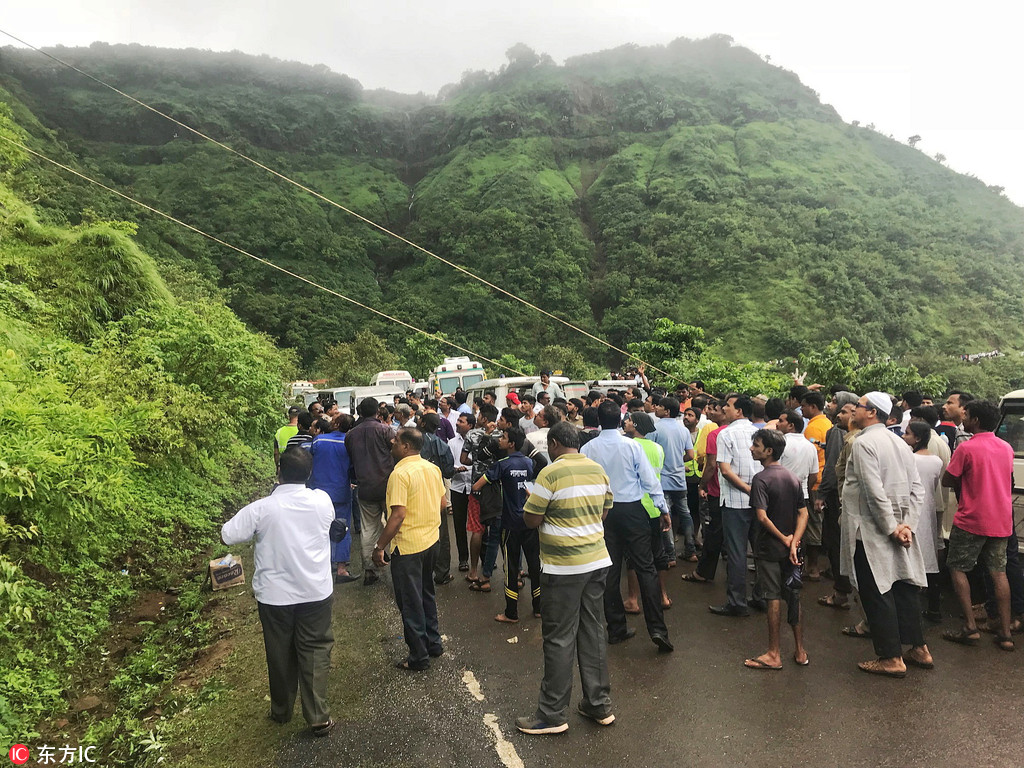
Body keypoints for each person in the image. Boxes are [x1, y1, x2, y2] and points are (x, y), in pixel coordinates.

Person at [221, 448, 338, 736]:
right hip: (315, 591)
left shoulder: (261, 509)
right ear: (309, 474)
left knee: (279, 652)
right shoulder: (322, 501)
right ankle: (318, 716)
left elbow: (228, 534)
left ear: (278, 471)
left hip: (274, 597)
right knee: (315, 650)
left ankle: (282, 711)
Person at [516, 422, 614, 735]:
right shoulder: (597, 470)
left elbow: (531, 519)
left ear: (555, 444)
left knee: (559, 637)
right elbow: (604, 510)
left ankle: (551, 714)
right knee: (593, 631)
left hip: (563, 567)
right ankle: (598, 704)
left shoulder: (551, 473)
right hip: (597, 561)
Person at [841, 392, 932, 677]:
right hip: (899, 527)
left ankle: (891, 657)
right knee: (904, 588)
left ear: (872, 413)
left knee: (876, 592)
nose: (854, 409)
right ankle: (919, 647)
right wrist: (908, 526)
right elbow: (918, 490)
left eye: (859, 406)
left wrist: (893, 528)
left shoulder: (864, 443)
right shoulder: (899, 442)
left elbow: (873, 490)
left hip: (870, 529)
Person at [582, 401, 674, 652]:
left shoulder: (589, 448)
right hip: (633, 510)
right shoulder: (631, 445)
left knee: (609, 571)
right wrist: (662, 509)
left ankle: (616, 628)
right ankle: (657, 629)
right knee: (646, 568)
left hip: (605, 513)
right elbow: (649, 480)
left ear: (599, 420)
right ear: (621, 421)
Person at [941, 400, 1017, 651]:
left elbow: (948, 479)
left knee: (957, 568)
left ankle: (970, 627)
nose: (964, 416)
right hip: (1001, 520)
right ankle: (1005, 633)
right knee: (999, 573)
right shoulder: (1006, 447)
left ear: (974, 420)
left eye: (967, 414)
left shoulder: (967, 448)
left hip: (972, 519)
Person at [372, 427, 447, 670]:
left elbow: (398, 515)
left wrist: (379, 546)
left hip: (408, 547)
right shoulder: (432, 468)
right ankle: (433, 644)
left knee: (410, 601)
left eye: (395, 441)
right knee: (426, 594)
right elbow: (443, 504)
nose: (392, 443)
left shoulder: (400, 474)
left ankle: (418, 656)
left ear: (405, 447)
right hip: (431, 541)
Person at [744, 429, 809, 670]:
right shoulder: (792, 477)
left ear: (769, 451)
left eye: (756, 445)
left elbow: (761, 517)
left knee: (773, 597)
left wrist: (783, 539)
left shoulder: (761, 479)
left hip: (769, 548)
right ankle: (800, 650)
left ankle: (774, 653)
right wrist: (794, 541)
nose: (752, 449)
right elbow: (803, 512)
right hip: (792, 550)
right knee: (793, 595)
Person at [473, 427, 538, 623]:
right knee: (534, 565)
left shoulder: (501, 465)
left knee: (510, 567)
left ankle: (511, 613)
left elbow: (477, 485)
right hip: (529, 520)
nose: (500, 439)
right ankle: (539, 608)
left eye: (503, 437)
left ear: (511, 444)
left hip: (509, 523)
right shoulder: (529, 462)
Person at [710, 394, 762, 617]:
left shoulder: (726, 434)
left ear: (739, 411)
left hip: (735, 500)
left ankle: (737, 602)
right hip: (760, 501)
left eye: (728, 407)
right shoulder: (760, 433)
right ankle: (761, 596)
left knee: (737, 552)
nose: (725, 409)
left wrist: (748, 490)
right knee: (760, 551)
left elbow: (725, 469)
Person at [622, 412, 671, 612]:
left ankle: (633, 599)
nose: (625, 422)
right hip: (654, 507)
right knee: (657, 553)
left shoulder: (629, 447)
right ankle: (663, 596)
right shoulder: (658, 448)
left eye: (629, 420)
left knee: (633, 557)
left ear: (636, 425)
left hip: (635, 507)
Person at [345, 397, 395, 586]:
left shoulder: (351, 435)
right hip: (388, 487)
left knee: (368, 529)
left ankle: (369, 569)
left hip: (364, 487)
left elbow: (351, 458)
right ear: (377, 412)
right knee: (396, 523)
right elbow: (396, 450)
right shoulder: (385, 430)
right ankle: (398, 562)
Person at [902, 421, 945, 621]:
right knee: (929, 557)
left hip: (911, 510)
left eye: (907, 433)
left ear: (917, 438)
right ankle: (934, 607)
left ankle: (908, 610)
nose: (903, 436)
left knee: (909, 558)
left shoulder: (908, 459)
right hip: (928, 510)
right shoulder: (936, 461)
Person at [309, 413, 357, 583]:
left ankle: (323, 567)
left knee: (319, 528)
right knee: (342, 527)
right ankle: (341, 569)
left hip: (318, 492)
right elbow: (353, 467)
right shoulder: (349, 443)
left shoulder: (319, 441)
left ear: (336, 424)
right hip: (341, 492)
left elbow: (309, 460)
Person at [684, 401, 727, 584]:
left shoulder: (714, 432)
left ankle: (703, 572)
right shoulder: (750, 433)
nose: (709, 411)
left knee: (713, 532)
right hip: (743, 493)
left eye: (714, 409)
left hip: (717, 490)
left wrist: (703, 485)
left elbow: (710, 465)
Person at [651, 397, 697, 564]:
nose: (656, 408)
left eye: (660, 406)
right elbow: (691, 455)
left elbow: (651, 453)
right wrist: (678, 461)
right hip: (679, 479)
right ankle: (690, 550)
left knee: (666, 517)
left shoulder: (655, 428)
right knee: (685, 514)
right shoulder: (683, 429)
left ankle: (670, 555)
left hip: (663, 480)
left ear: (667, 411)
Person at [419, 412, 456, 586]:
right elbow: (448, 472)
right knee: (441, 534)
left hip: (415, 492)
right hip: (436, 492)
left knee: (417, 530)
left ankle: (420, 572)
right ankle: (442, 573)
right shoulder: (442, 445)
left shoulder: (413, 442)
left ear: (423, 423)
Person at [800, 392, 832, 581]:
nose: (802, 408)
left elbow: (811, 458)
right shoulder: (826, 423)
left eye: (803, 405)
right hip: (822, 479)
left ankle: (812, 568)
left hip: (816, 482)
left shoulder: (813, 429)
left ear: (812, 407)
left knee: (812, 524)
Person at [449, 413, 473, 572]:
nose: (457, 423)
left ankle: (485, 557)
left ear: (470, 425)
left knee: (480, 524)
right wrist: (456, 469)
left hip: (475, 486)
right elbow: (448, 464)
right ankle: (463, 559)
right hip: (457, 487)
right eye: (458, 421)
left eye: (461, 421)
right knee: (459, 524)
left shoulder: (478, 440)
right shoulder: (451, 443)